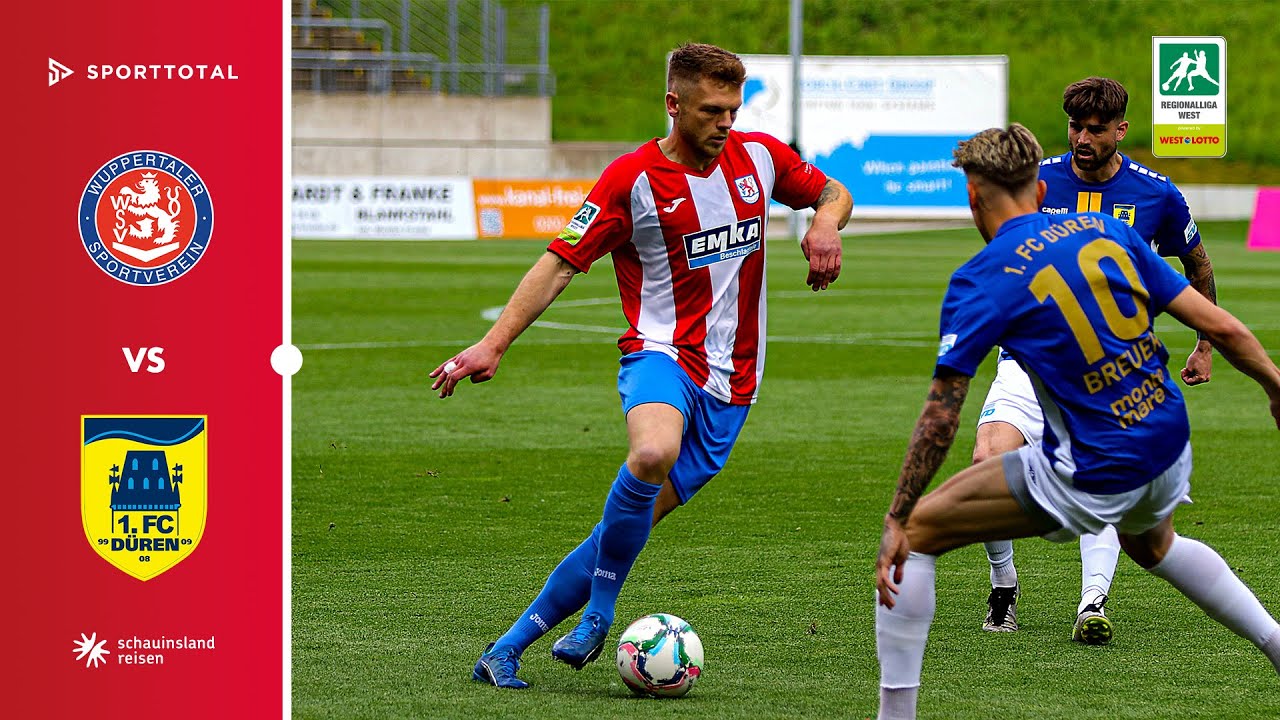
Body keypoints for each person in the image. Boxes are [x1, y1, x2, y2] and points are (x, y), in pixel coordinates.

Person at [431, 42, 853, 689]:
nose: (725, 123)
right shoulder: (630, 180)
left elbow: (832, 191)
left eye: (733, 109)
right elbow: (560, 261)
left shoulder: (760, 157)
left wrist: (825, 225)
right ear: (673, 104)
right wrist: (494, 343)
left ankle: (506, 650)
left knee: (620, 528)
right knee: (651, 453)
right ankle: (601, 611)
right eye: (712, 110)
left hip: (733, 387)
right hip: (659, 355)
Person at [873, 123, 1280, 720]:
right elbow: (1221, 325)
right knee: (1155, 543)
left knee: (916, 536)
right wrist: (1274, 385)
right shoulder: (1109, 232)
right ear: (1040, 190)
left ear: (971, 197)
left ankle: (894, 715)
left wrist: (896, 514)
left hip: (1096, 467)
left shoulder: (982, 277)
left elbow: (940, 419)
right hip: (1168, 439)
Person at [975, 77, 1218, 643]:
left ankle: (1091, 603)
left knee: (1104, 480)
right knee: (988, 460)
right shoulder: (1038, 181)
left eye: (1096, 129)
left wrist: (1204, 344)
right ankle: (1004, 582)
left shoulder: (1157, 194)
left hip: (1113, 368)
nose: (1083, 138)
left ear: (1121, 131)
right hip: (1033, 357)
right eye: (1075, 127)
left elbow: (1197, 266)